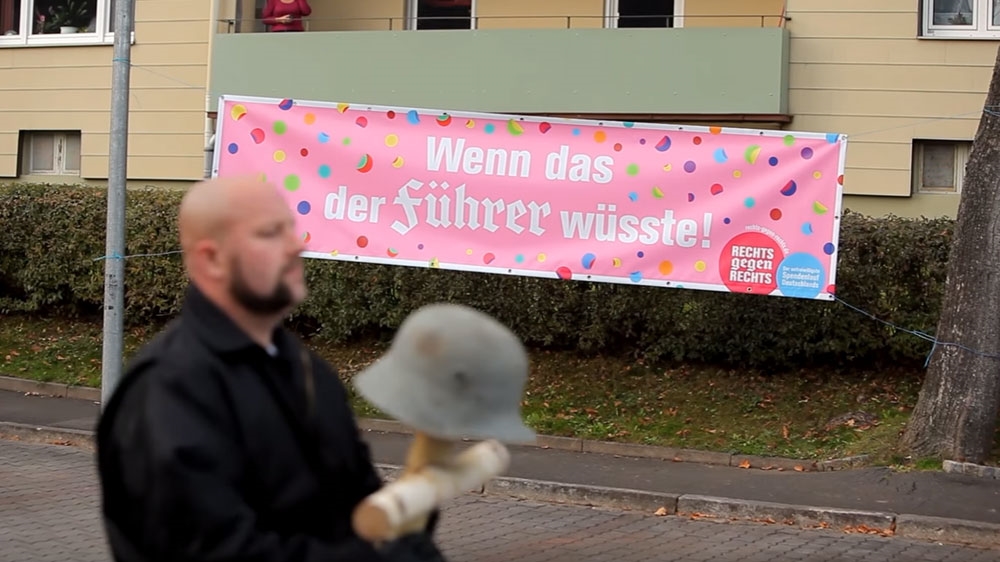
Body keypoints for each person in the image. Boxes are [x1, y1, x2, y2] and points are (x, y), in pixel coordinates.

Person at [95, 176, 447, 562]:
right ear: (212, 259)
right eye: (270, 233)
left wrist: (412, 508)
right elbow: (219, 551)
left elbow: (351, 507)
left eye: (290, 228)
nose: (297, 245)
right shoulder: (169, 390)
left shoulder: (308, 371)